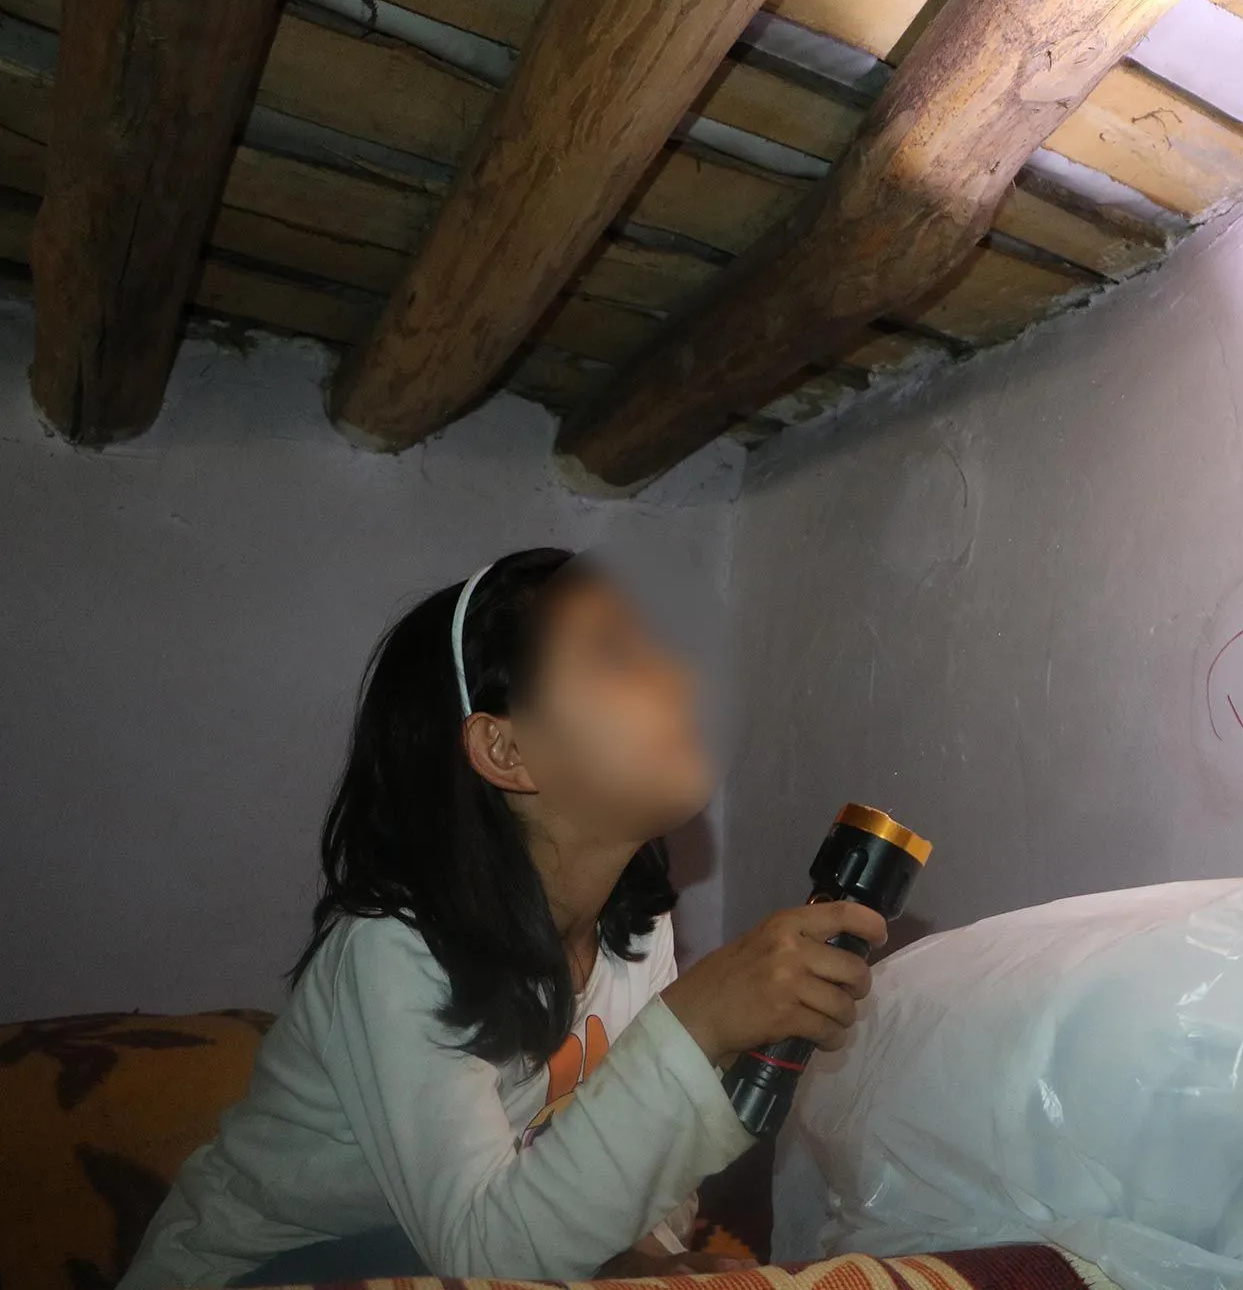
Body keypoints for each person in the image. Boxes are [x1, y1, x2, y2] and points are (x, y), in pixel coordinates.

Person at [121, 548, 883, 1289]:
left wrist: (643, 1256)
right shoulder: (392, 949)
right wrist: (693, 1027)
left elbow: (643, 1165)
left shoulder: (636, 933)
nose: (683, 678)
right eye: (619, 655)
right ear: (506, 748)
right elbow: (481, 1260)